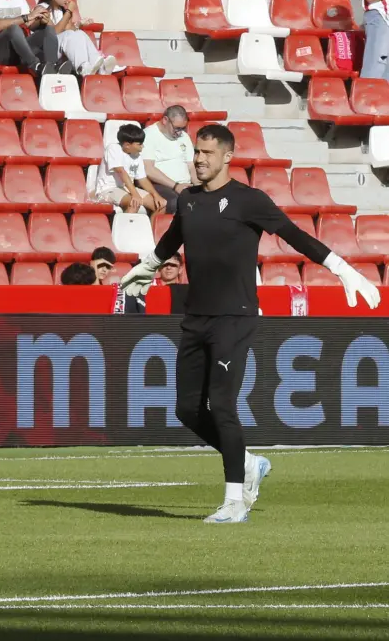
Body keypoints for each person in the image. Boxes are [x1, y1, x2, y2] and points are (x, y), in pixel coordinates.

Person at [120, 124, 381, 524]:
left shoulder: (249, 200)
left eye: (208, 153)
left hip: (235, 317)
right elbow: (172, 239)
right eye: (197, 153)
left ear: (227, 157)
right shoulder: (187, 200)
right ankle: (247, 463)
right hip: (196, 317)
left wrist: (342, 269)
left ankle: (235, 502)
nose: (200, 159)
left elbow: (295, 236)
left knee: (222, 404)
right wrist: (148, 267)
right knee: (187, 410)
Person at [37, 0, 119, 76]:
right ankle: (83, 68)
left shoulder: (61, 10)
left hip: (60, 50)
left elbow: (68, 30)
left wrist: (79, 24)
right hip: (47, 51)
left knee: (80, 33)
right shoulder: (41, 9)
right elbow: (54, 33)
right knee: (70, 34)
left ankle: (100, 68)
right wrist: (69, 11)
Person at [94, 124, 167, 215]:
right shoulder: (113, 149)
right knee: (133, 202)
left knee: (160, 205)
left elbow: (142, 179)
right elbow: (121, 172)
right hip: (108, 190)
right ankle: (124, 229)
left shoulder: (137, 155)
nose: (142, 147)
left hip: (126, 189)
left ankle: (151, 229)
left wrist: (156, 196)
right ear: (127, 145)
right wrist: (135, 194)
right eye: (139, 144)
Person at [141, 107, 199, 215]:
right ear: (165, 120)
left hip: (185, 185)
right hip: (160, 184)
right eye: (177, 128)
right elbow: (148, 169)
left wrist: (197, 184)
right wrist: (176, 186)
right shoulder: (149, 135)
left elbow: (190, 165)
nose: (179, 132)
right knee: (176, 202)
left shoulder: (184, 136)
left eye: (183, 128)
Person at [361, 0, 389, 80]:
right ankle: (366, 93)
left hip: (385, 18)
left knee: (385, 67)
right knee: (375, 63)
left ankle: (383, 94)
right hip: (378, 17)